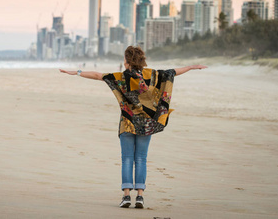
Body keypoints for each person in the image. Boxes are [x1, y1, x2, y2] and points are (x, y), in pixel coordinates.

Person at [59, 46, 207, 209]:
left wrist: (77, 72)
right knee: (141, 158)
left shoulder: (121, 77)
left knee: (127, 159)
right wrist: (191, 67)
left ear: (127, 60)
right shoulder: (152, 75)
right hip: (147, 123)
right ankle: (140, 197)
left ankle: (126, 196)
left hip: (128, 122)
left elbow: (97, 75)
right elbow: (172, 72)